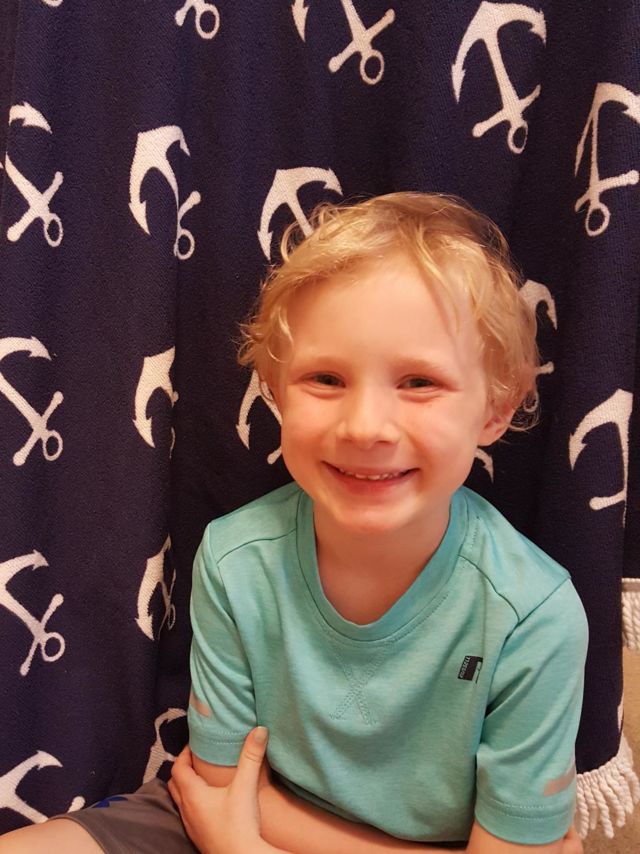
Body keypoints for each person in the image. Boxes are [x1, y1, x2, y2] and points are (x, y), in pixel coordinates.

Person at [0, 193, 588, 853]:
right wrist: (237, 833)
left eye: (420, 382)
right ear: (274, 392)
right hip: (226, 820)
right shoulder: (235, 556)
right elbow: (218, 789)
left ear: (496, 409)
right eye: (326, 379)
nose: (365, 427)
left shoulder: (534, 615)